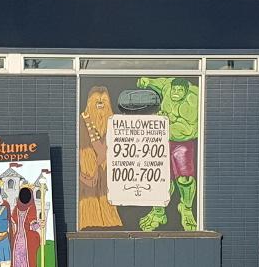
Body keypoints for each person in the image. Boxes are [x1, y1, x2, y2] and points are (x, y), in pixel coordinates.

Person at [136, 77, 199, 231]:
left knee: (185, 179)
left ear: (186, 92)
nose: (176, 93)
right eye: (174, 89)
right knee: (159, 177)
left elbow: (188, 129)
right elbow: (158, 82)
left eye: (180, 90)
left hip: (182, 141)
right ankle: (158, 212)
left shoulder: (193, 100)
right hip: (161, 139)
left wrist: (167, 121)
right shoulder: (167, 87)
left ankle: (186, 209)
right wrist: (146, 81)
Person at [78, 86, 122, 228]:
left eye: (103, 101)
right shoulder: (82, 121)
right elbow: (83, 150)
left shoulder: (113, 123)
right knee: (90, 202)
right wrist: (91, 166)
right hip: (89, 173)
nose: (101, 103)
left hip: (107, 174)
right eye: (97, 101)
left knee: (107, 200)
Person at [10, 185, 44, 267]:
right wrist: (39, 225)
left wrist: (39, 224)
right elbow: (16, 222)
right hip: (20, 241)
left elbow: (32, 224)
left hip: (24, 240)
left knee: (26, 264)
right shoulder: (19, 208)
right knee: (20, 264)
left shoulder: (28, 208)